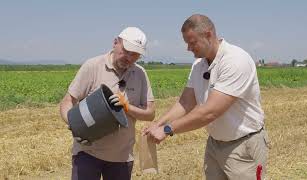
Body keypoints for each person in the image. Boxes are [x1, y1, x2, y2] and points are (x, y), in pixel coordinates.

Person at [144, 14, 269, 179]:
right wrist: (158, 123)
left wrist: (167, 129)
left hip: (243, 147)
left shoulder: (235, 60)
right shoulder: (199, 65)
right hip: (214, 144)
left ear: (209, 34)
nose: (188, 48)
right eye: (186, 43)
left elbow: (210, 112)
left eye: (192, 42)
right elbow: (185, 102)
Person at [60, 27, 155, 180]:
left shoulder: (140, 74)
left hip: (122, 157)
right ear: (115, 42)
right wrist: (73, 123)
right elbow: (67, 101)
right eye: (126, 51)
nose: (129, 58)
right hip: (88, 153)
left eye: (135, 55)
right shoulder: (93, 66)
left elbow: (150, 114)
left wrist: (127, 107)